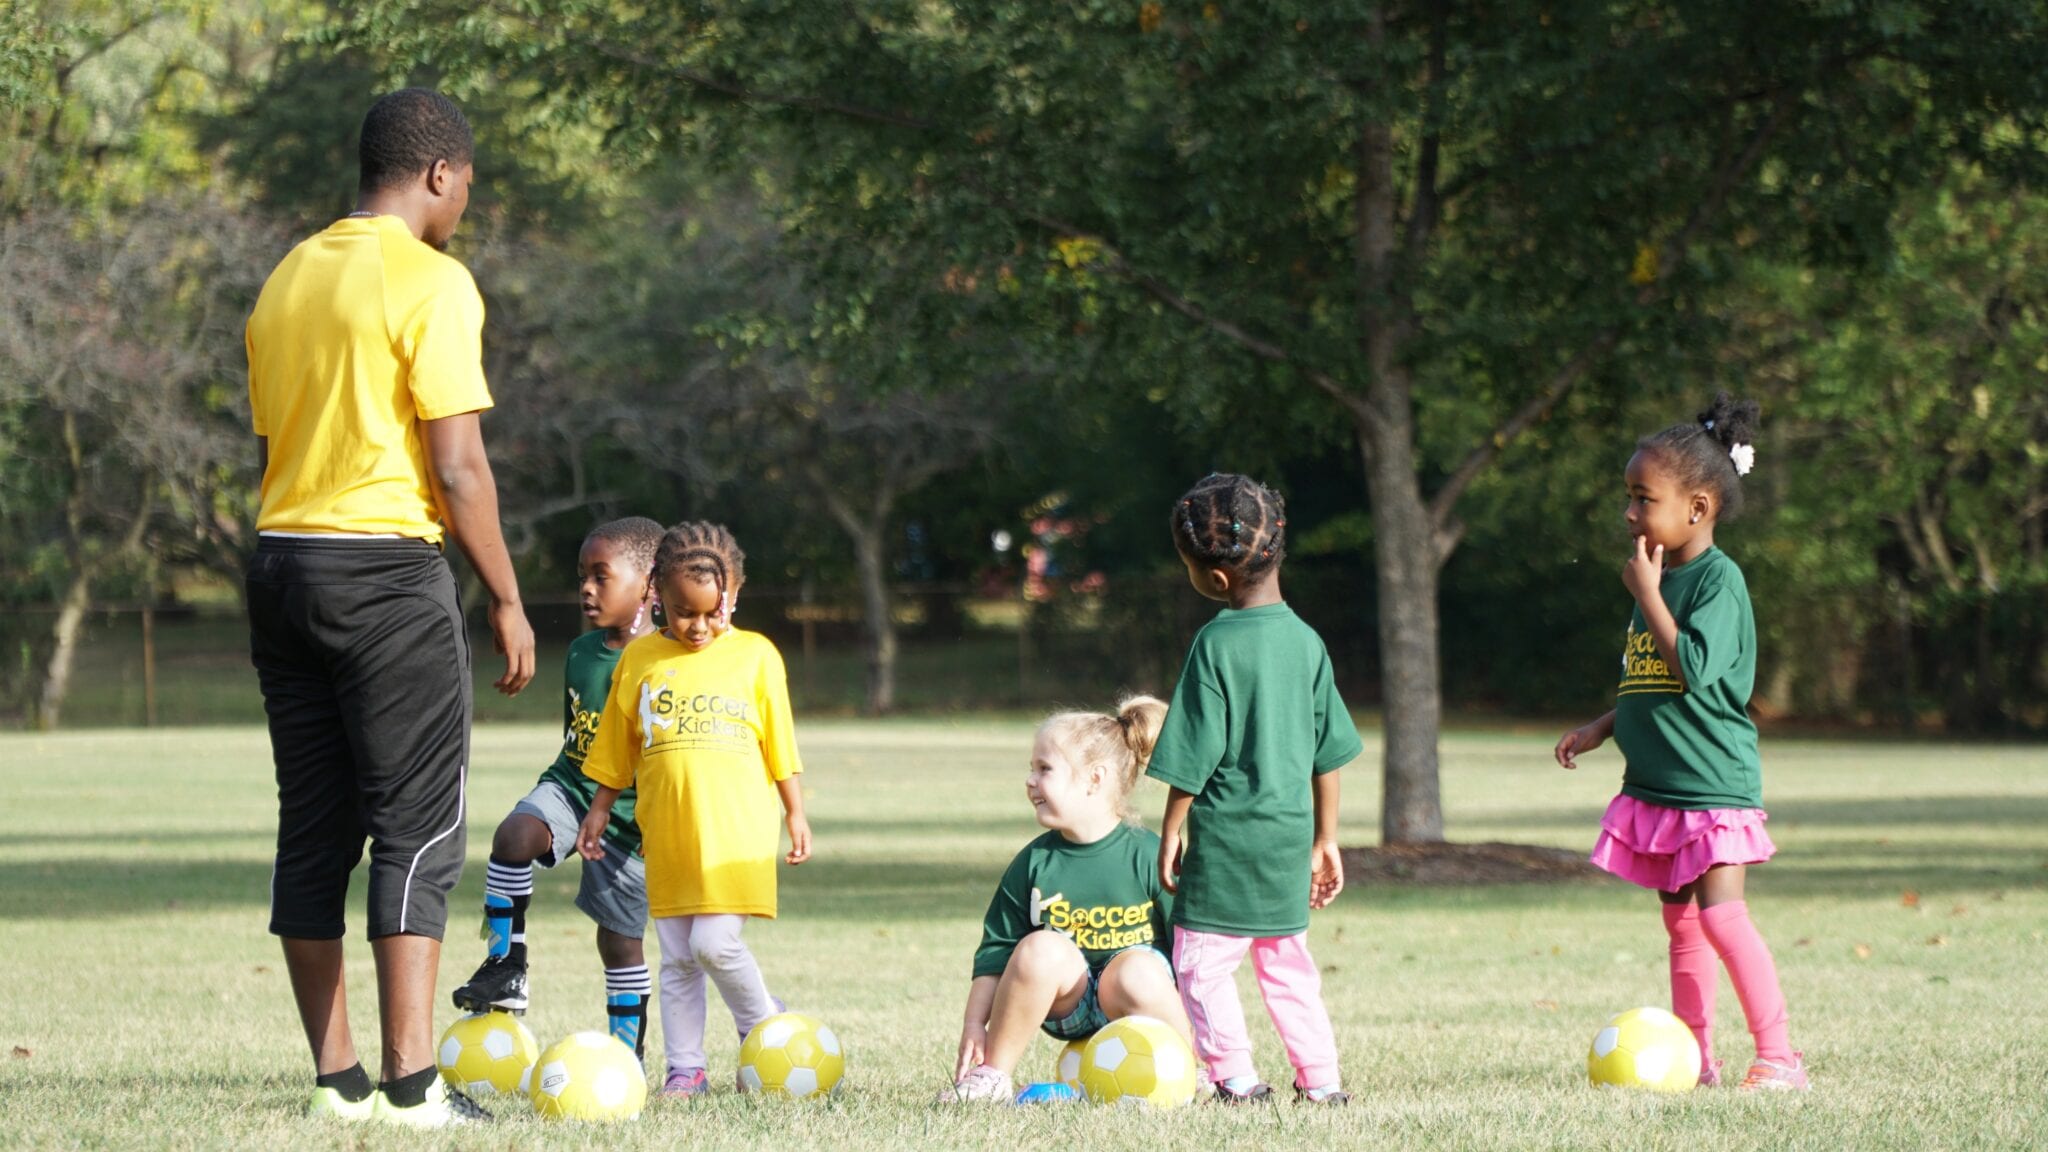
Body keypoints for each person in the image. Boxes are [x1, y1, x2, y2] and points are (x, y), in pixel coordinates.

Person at [243, 88, 534, 1127]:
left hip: (279, 567)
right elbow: (456, 468)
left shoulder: (286, 278)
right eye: (468, 189)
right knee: (415, 823)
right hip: (381, 576)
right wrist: (505, 597)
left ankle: (339, 1083)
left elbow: (278, 443)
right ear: (440, 174)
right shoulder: (432, 281)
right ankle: (414, 1089)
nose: (464, 209)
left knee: (314, 823)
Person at [1554, 393, 1807, 1091]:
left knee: (1723, 919)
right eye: (1629, 498)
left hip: (1712, 789)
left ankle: (1781, 1059)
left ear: (1697, 508)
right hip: (1660, 792)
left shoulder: (1717, 582)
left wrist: (1648, 596)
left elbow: (1692, 667)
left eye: (1643, 499)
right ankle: (1698, 1062)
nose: (1630, 514)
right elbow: (1649, 680)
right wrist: (1601, 727)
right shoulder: (1661, 580)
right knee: (1682, 930)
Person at [576, 522, 811, 1098]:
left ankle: (764, 1026)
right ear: (656, 593)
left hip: (737, 836)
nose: (699, 626)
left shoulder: (757, 656)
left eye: (714, 612)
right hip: (671, 836)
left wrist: (796, 814)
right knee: (678, 958)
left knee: (714, 945)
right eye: (684, 612)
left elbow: (781, 742)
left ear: (735, 595)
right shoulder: (641, 660)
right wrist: (599, 808)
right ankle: (686, 1068)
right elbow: (617, 745)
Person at [1148, 473, 1361, 1105]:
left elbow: (1195, 749)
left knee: (1201, 967)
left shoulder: (1215, 643)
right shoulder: (1308, 643)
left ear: (1215, 580)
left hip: (1228, 844)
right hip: (1287, 839)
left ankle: (1235, 1077)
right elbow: (1331, 752)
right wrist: (1326, 839)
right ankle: (1322, 1083)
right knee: (1289, 969)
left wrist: (1169, 829)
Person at [451, 517, 663, 1058]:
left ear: (650, 584)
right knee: (514, 836)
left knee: (618, 942)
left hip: (631, 820)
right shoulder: (581, 651)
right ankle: (507, 966)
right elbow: (577, 737)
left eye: (602, 576)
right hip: (572, 786)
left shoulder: (667, 663)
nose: (587, 589)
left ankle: (625, 1059)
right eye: (582, 577)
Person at [941, 697, 1194, 1103]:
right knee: (1040, 947)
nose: (1030, 780)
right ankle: (993, 1078)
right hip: (1067, 1005)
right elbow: (996, 953)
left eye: (1045, 769)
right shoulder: (1035, 862)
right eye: (1031, 768)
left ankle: (1190, 1071)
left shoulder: (1149, 855)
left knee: (1136, 970)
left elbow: (1189, 952)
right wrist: (975, 1024)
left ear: (1095, 778)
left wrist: (1206, 1038)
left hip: (1132, 998)